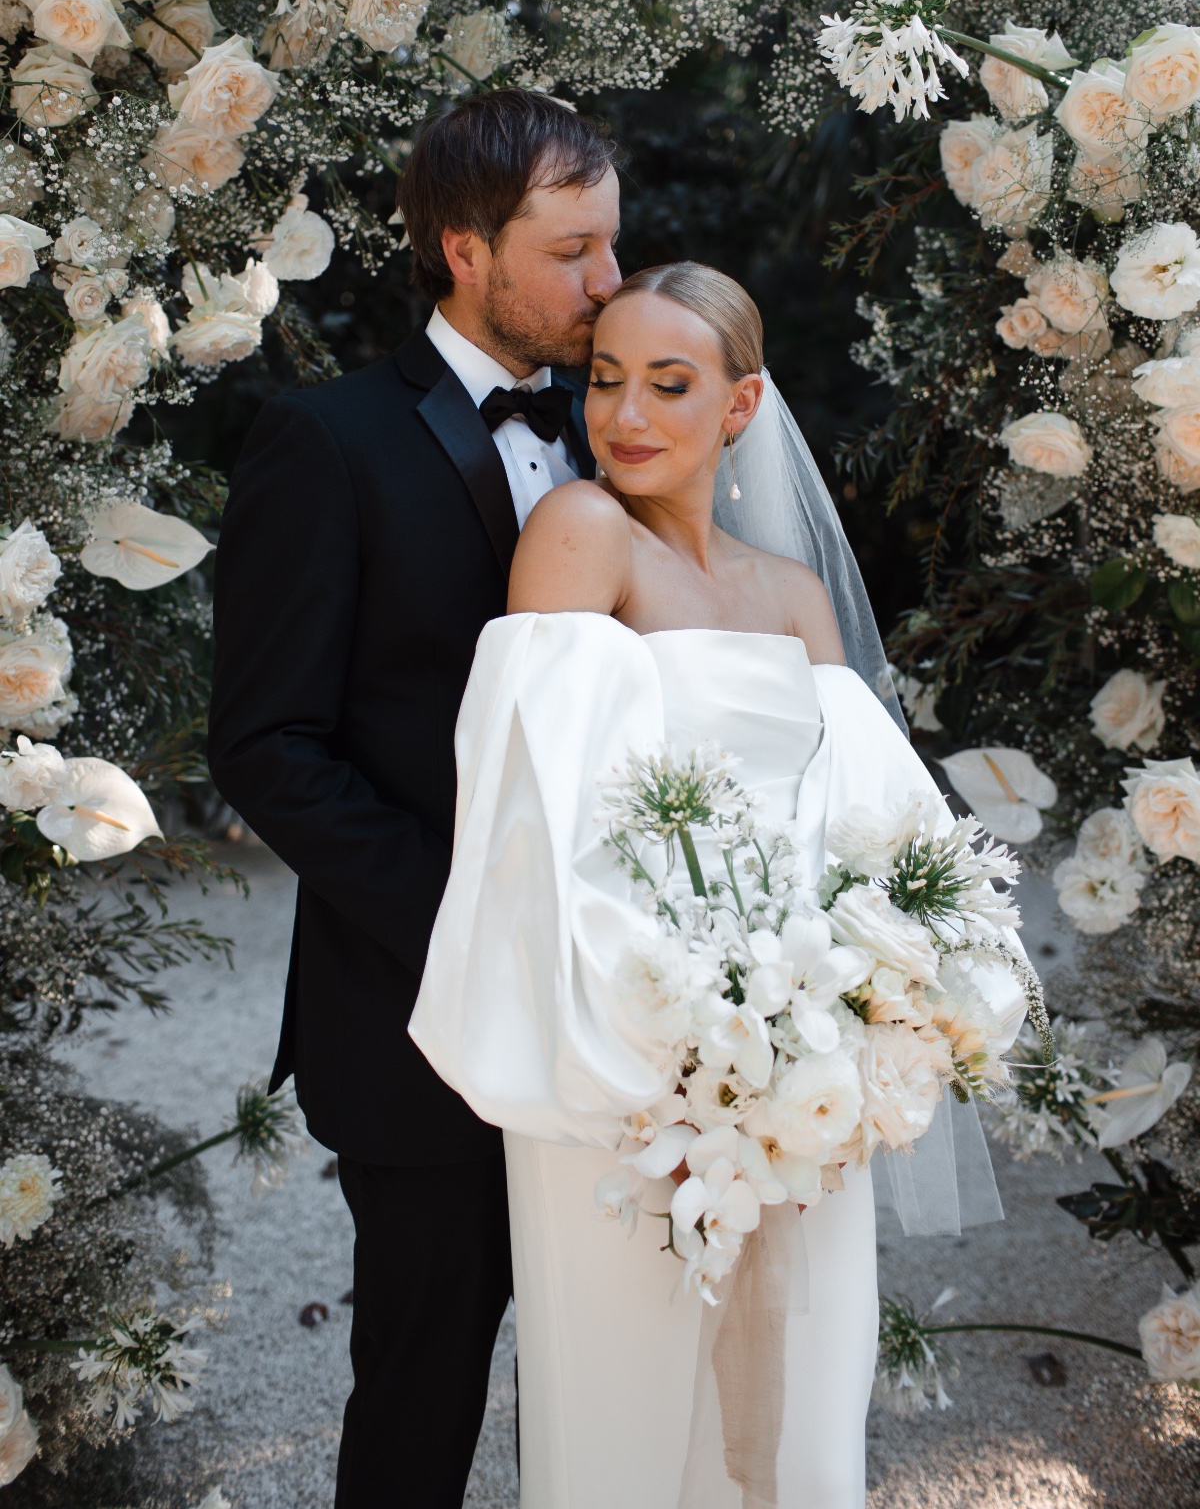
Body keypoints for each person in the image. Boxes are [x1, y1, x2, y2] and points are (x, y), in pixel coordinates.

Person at [410, 262, 1028, 1508]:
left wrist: (859, 1016)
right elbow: (539, 812)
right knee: (627, 1408)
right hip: (630, 1063)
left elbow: (862, 828)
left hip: (805, 1062)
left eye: (669, 384)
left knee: (805, 1393)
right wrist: (681, 1050)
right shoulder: (585, 536)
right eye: (604, 379)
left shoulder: (793, 596)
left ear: (740, 408)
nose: (624, 414)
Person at [206, 89, 622, 1508]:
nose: (608, 284)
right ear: (463, 248)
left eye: (611, 246)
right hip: (419, 1016)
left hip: (618, 1017)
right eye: (573, 252)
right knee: (425, 1388)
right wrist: (473, 916)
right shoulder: (324, 443)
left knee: (606, 1385)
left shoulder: (623, 428)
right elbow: (267, 745)